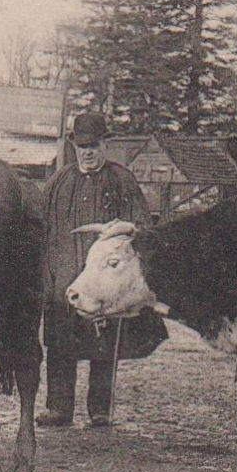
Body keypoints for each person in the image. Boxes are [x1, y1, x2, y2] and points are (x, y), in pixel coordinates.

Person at [38, 111, 166, 428]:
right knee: (60, 343)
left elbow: (142, 229)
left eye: (94, 145)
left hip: (105, 281)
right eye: (82, 146)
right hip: (64, 276)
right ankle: (59, 407)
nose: (88, 152)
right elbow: (42, 228)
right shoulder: (58, 182)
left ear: (105, 144)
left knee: (104, 343)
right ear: (73, 146)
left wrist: (126, 228)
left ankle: (99, 408)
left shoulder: (121, 180)